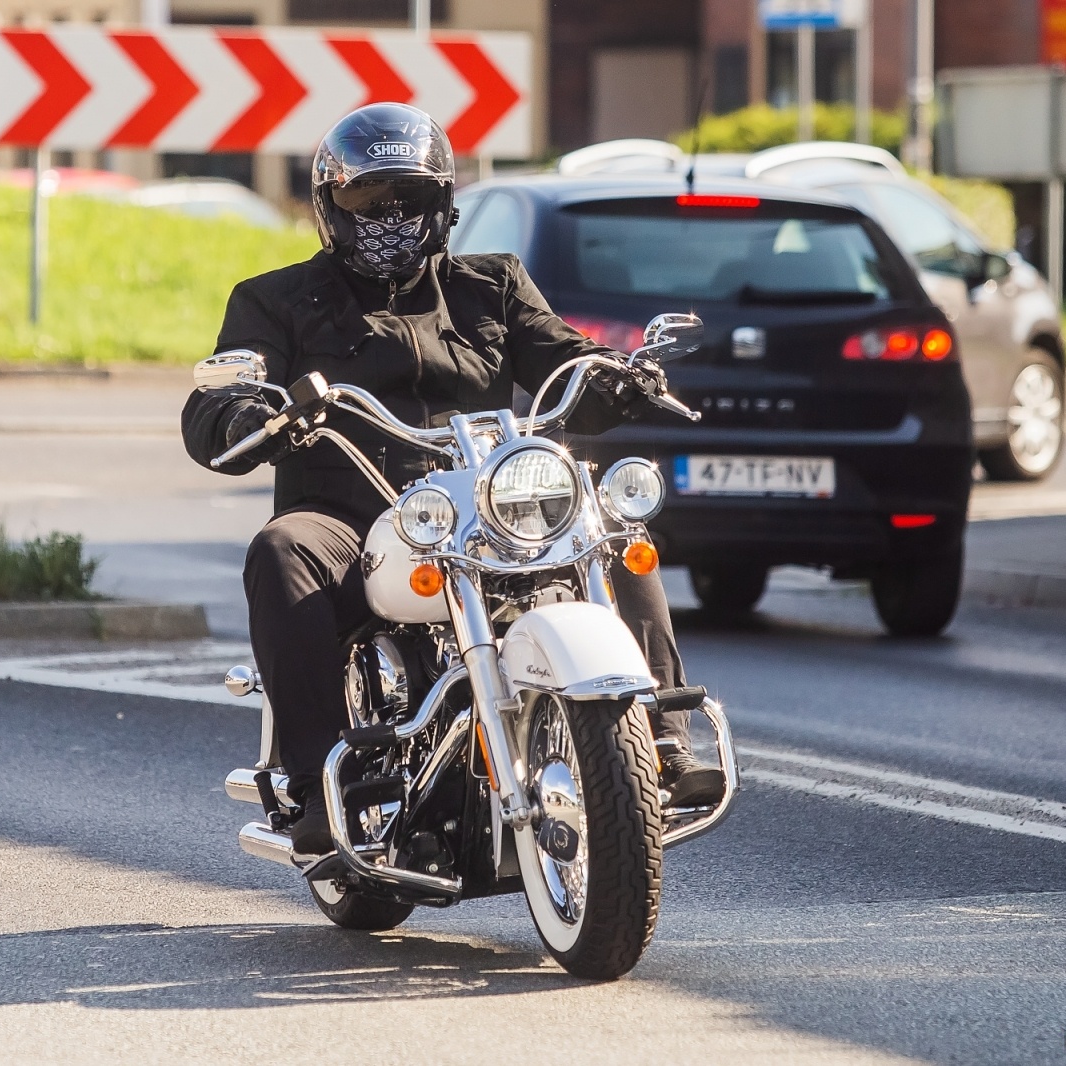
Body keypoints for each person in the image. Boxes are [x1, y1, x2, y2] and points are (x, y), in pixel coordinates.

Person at [183, 103, 722, 854]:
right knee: (283, 549)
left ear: (445, 205)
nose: (391, 219)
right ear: (330, 207)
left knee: (608, 526)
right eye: (369, 203)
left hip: (487, 506)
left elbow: (564, 357)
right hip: (353, 515)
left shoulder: (491, 286)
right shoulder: (273, 300)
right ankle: (314, 781)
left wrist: (615, 378)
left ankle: (659, 737)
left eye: (411, 201)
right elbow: (224, 389)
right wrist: (242, 414)